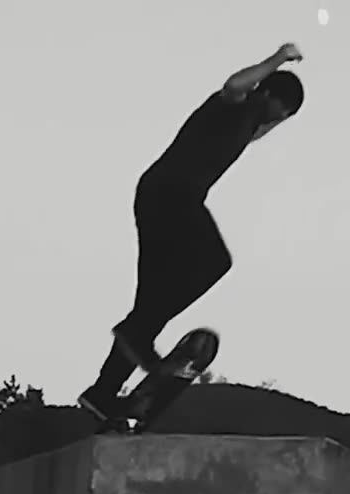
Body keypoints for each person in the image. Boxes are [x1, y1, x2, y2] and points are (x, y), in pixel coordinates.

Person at [78, 43, 306, 423]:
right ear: (267, 95)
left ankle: (102, 393)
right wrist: (277, 60)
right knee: (216, 261)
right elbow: (234, 84)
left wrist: (284, 111)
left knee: (148, 310)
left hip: (159, 197)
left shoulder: (250, 125)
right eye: (280, 110)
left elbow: (264, 128)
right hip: (170, 194)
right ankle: (137, 333)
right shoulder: (236, 104)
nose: (278, 119)